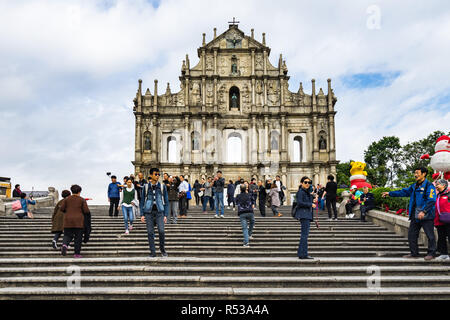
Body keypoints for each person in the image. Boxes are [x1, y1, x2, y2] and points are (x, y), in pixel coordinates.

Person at [382, 167, 437, 260]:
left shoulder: (429, 186)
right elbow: (403, 192)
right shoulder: (414, 186)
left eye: (417, 173)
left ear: (424, 174)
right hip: (414, 215)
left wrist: (424, 211)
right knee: (411, 235)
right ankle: (414, 253)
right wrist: (390, 193)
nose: (415, 175)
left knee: (430, 235)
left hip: (426, 216)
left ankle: (431, 253)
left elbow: (431, 200)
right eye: (414, 173)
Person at [140, 168, 169, 257]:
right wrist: (142, 214)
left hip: (159, 211)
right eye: (156, 174)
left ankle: (162, 249)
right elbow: (142, 201)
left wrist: (165, 215)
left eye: (158, 174)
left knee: (161, 231)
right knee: (150, 232)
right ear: (151, 175)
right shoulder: (145, 187)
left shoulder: (162, 186)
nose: (157, 176)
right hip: (148, 211)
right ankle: (153, 252)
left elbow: (166, 202)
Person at [60, 184, 90, 258]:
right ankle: (76, 254)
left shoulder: (67, 199)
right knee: (78, 238)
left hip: (68, 220)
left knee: (67, 235)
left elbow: (62, 209)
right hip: (79, 221)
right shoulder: (82, 199)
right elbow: (86, 211)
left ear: (71, 191)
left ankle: (65, 245)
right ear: (79, 191)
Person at [294, 176, 315, 259]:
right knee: (304, 235)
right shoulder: (300, 192)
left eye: (309, 183)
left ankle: (301, 253)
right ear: (301, 183)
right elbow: (299, 203)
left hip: (306, 215)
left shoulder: (306, 192)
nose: (307, 184)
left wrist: (312, 197)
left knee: (304, 235)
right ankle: (304, 254)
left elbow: (308, 201)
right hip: (304, 215)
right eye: (305, 182)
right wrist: (310, 204)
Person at [434, 179, 450, 260]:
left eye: (438, 184)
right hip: (439, 221)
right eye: (436, 184)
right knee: (441, 237)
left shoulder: (448, 194)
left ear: (444, 185)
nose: (436, 186)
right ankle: (444, 254)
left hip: (448, 220)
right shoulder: (438, 195)